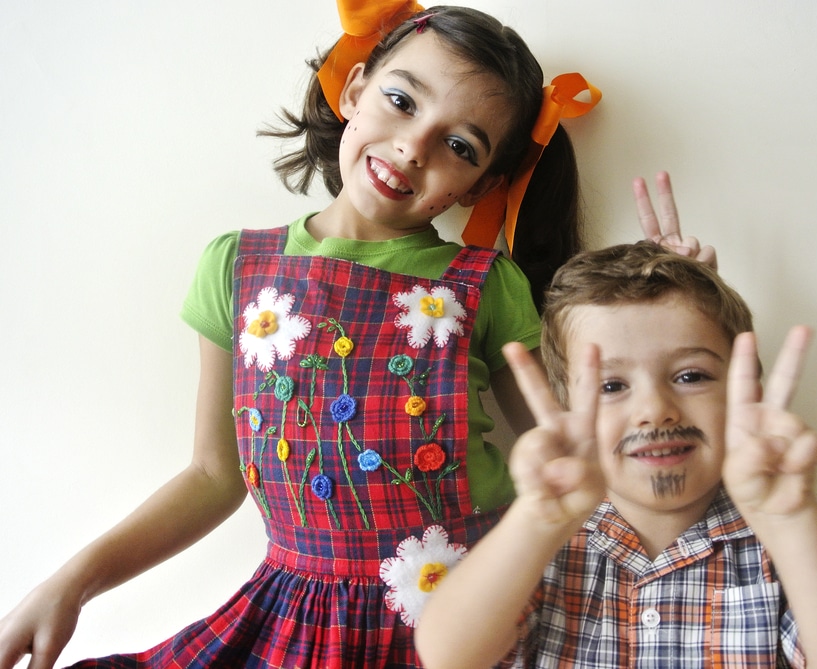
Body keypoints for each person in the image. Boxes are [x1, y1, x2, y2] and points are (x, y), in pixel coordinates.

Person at [0, 3, 613, 668]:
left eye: (460, 145)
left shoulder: (484, 285)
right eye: (402, 100)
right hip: (300, 619)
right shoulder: (236, 268)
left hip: (475, 611)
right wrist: (70, 582)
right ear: (353, 90)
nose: (414, 147)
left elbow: (569, 454)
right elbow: (212, 474)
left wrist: (666, 320)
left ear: (483, 184)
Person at [416, 242, 817, 668]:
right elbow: (447, 656)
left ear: (742, 392)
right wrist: (534, 522)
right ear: (569, 408)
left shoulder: (794, 538)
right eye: (612, 385)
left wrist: (791, 524)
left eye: (690, 376)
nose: (655, 410)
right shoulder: (538, 541)